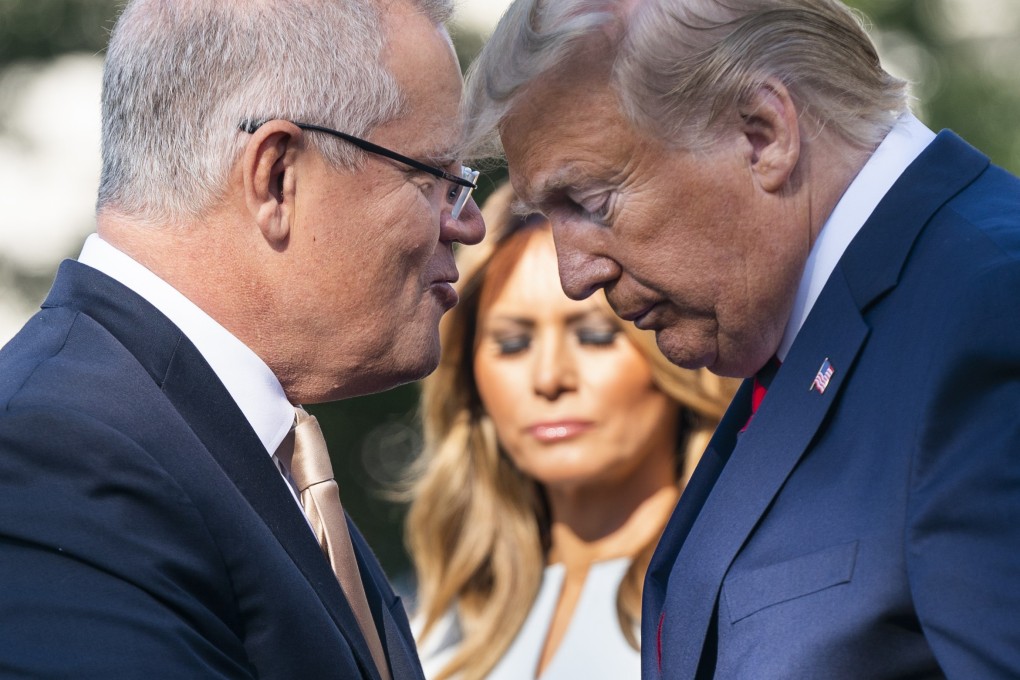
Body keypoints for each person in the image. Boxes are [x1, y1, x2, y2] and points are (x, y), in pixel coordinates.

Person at [458, 0, 1020, 678]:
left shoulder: (989, 308)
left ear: (763, 134)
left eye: (591, 203)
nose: (575, 276)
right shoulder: (825, 329)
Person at [0, 0, 483, 677]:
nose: (470, 224)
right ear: (277, 177)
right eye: (437, 179)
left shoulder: (227, 445)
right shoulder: (60, 457)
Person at [407, 183, 736, 680]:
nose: (549, 378)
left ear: (675, 358)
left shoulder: (743, 589)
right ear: (471, 379)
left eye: (595, 337)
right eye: (514, 343)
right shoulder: (427, 623)